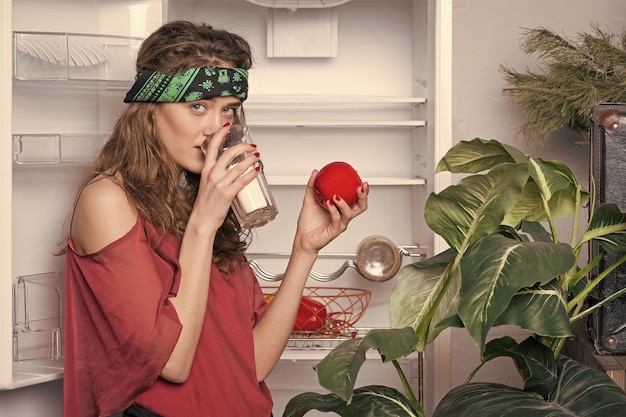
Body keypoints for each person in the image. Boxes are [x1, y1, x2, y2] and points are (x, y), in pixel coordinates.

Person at [62, 20, 369, 417]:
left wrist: (304, 248)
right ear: (149, 108)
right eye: (197, 106)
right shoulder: (107, 201)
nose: (215, 128)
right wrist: (203, 224)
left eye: (228, 110)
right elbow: (173, 363)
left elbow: (251, 363)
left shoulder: (196, 199)